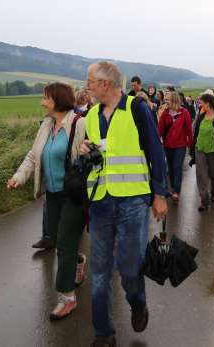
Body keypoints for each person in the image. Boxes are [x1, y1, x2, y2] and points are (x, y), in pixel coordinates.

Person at [82, 61, 168, 347]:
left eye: (90, 81)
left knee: (131, 268)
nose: (87, 86)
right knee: (99, 273)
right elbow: (93, 154)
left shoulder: (136, 109)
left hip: (132, 201)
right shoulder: (91, 115)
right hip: (100, 203)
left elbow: (156, 151)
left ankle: (138, 302)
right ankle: (103, 333)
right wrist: (85, 150)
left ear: (105, 84)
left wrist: (159, 194)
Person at [7, 82, 88, 320]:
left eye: (45, 98)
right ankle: (78, 260)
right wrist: (18, 177)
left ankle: (67, 298)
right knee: (55, 237)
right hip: (52, 194)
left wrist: (88, 151)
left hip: (73, 195)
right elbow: (33, 156)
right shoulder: (46, 124)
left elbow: (94, 153)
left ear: (57, 100)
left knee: (63, 244)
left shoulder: (79, 124)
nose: (42, 102)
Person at [190, 93, 214, 211]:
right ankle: (204, 201)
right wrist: (192, 149)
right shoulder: (201, 116)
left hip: (213, 151)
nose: (199, 105)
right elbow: (195, 133)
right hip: (199, 148)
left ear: (208, 104)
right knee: (201, 175)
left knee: (212, 175)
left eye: (201, 103)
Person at [158, 91, 193, 203]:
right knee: (171, 169)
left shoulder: (184, 113)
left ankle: (176, 192)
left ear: (173, 100)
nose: (165, 101)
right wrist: (155, 142)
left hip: (180, 145)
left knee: (177, 168)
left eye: (167, 99)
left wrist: (190, 144)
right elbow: (159, 130)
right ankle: (173, 187)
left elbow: (189, 130)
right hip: (167, 145)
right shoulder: (165, 113)